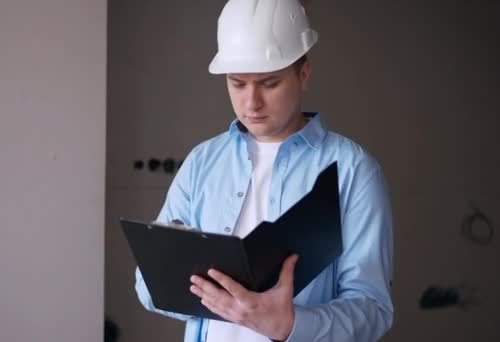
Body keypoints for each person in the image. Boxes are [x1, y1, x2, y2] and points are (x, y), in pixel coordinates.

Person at [135, 0, 394, 341]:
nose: (251, 102)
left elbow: (373, 309)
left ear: (303, 74)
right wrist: (184, 282)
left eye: (269, 83)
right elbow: (146, 287)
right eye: (237, 83)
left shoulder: (354, 171)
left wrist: (290, 325)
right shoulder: (202, 162)